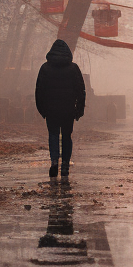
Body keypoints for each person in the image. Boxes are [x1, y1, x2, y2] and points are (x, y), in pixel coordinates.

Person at [34, 39, 86, 179]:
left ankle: (54, 161)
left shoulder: (45, 68)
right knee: (67, 137)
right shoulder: (73, 68)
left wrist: (42, 109)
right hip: (68, 109)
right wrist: (79, 110)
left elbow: (39, 90)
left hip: (51, 110)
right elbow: (81, 90)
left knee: (53, 135)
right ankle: (65, 166)